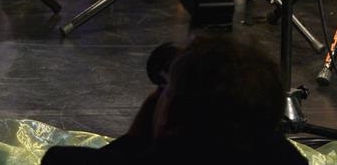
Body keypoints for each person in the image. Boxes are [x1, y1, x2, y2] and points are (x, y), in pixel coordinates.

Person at [42, 36, 304, 163]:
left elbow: (60, 160)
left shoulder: (167, 156)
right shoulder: (286, 159)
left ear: (173, 112)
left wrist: (136, 137)